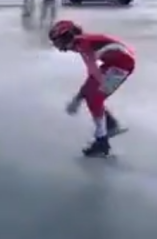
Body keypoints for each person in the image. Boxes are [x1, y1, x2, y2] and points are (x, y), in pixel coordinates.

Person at [48, 20, 135, 157]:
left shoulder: (82, 43)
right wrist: (80, 97)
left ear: (67, 36)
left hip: (122, 65)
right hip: (115, 63)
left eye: (57, 42)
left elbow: (92, 70)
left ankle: (102, 140)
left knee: (94, 97)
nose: (58, 47)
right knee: (91, 95)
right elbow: (93, 73)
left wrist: (79, 98)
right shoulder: (81, 42)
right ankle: (109, 125)